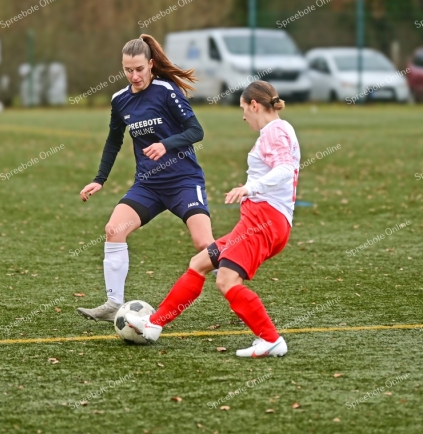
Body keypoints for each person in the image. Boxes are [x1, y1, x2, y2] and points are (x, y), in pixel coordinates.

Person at [126, 81, 300, 358]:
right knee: (200, 262)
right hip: (265, 221)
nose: (244, 116)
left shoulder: (274, 131)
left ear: (255, 105)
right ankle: (154, 325)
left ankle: (270, 339)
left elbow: (284, 169)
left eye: (244, 109)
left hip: (264, 221)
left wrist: (249, 188)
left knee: (227, 281)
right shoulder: (283, 128)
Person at [77, 34, 214, 322]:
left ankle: (236, 286)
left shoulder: (167, 91)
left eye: (139, 69)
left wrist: (167, 144)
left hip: (183, 181)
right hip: (149, 185)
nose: (134, 75)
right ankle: (114, 302)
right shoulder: (120, 100)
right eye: (128, 70)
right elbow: (113, 141)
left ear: (151, 65)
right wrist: (99, 179)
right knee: (114, 229)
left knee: (204, 244)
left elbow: (196, 131)